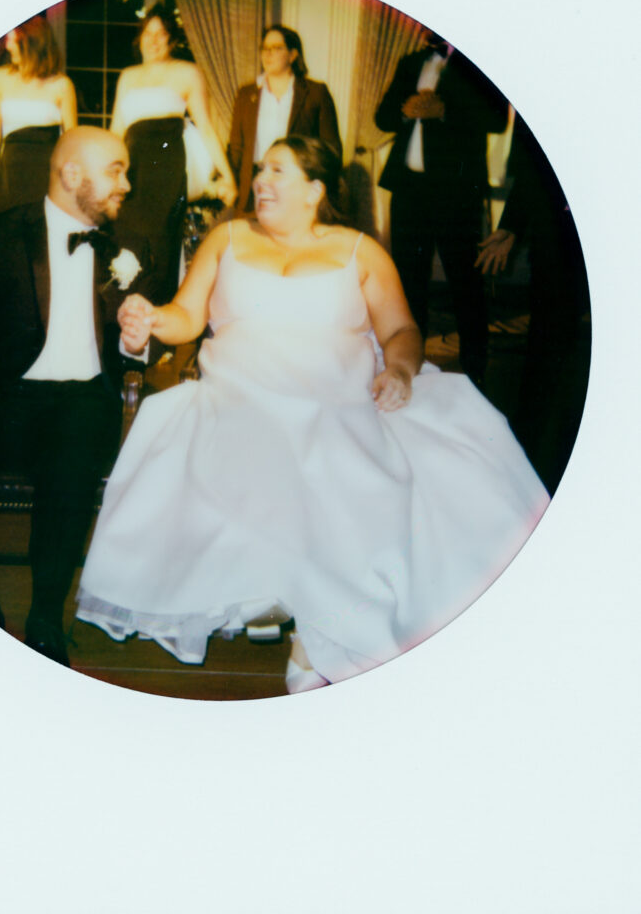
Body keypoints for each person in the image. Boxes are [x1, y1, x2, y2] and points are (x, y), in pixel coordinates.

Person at [75, 136, 549, 695]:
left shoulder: (358, 249)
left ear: (315, 188)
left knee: (348, 456)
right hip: (241, 389)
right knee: (263, 442)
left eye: (277, 171)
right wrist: (153, 320)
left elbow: (401, 330)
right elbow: (186, 315)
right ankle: (301, 610)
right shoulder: (227, 239)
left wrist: (397, 371)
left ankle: (321, 624)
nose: (260, 181)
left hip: (336, 393)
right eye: (259, 171)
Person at [0, 127, 148, 667]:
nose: (127, 184)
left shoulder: (125, 246)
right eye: (115, 170)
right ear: (71, 175)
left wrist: (138, 342)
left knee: (72, 457)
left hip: (81, 404)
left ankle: (44, 621)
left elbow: (140, 344)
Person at [375, 31, 509, 387]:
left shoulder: (479, 61)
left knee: (465, 283)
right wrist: (403, 112)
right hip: (408, 190)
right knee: (408, 283)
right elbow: (382, 117)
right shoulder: (410, 63)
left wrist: (446, 110)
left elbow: (498, 119)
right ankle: (409, 370)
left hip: (456, 193)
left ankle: (476, 375)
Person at [476, 113, 590, 493]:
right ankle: (531, 476)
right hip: (556, 233)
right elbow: (531, 164)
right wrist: (511, 225)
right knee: (547, 354)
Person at [110, 3, 237, 307]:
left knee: (161, 244)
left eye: (161, 35)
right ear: (139, 39)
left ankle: (159, 327)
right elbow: (115, 132)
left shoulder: (188, 73)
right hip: (133, 168)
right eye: (148, 34)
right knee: (126, 241)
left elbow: (206, 127)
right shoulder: (127, 77)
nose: (153, 41)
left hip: (167, 167)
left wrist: (228, 177)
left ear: (172, 41)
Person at [228, 24, 341, 214]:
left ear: (292, 55)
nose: (268, 54)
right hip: (253, 189)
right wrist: (236, 186)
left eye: (277, 48)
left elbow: (331, 148)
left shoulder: (315, 93)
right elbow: (236, 147)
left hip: (295, 188)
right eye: (265, 48)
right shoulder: (246, 94)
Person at [0, 15, 77, 212]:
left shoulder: (61, 85)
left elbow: (71, 140)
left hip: (46, 175)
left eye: (11, 40)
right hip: (10, 172)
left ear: (30, 41)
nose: (7, 47)